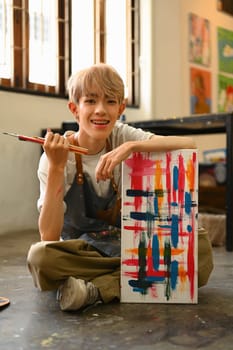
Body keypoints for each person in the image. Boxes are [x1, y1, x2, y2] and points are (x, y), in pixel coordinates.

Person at [27, 63, 213, 312]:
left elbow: (188, 144)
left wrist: (132, 147)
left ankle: (94, 289)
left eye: (110, 102)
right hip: (82, 251)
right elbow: (48, 237)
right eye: (90, 101)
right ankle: (136, 278)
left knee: (199, 250)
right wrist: (57, 168)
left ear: (121, 108)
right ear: (74, 109)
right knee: (41, 258)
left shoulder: (122, 136)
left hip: (127, 244)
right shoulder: (58, 156)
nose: (101, 111)